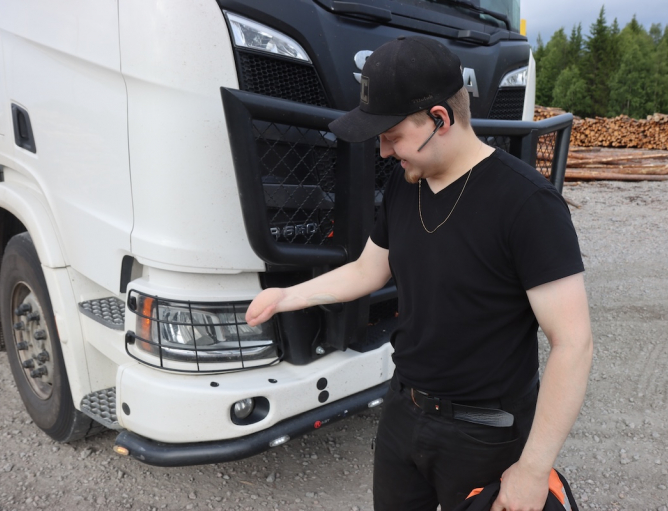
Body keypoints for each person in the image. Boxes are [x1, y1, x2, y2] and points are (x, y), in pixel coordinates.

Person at [245, 36, 593, 511]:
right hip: (404, 412)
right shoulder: (406, 184)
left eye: (391, 135)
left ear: (439, 119)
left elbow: (573, 344)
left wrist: (533, 469)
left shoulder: (528, 203)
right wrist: (287, 296)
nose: (384, 151)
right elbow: (368, 269)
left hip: (485, 433)